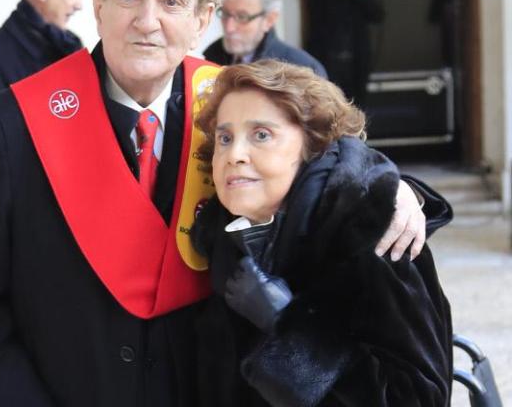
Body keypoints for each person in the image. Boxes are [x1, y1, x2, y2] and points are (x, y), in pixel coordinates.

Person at [0, 0, 445, 407]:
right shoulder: (11, 125)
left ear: (203, 18)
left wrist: (391, 188)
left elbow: (323, 160)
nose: (147, 20)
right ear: (97, 3)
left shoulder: (231, 111)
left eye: (173, 1)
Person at [190, 60, 452, 406]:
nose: (234, 155)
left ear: (312, 145)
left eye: (262, 135)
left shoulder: (374, 236)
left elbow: (420, 399)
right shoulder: (221, 242)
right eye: (225, 138)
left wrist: (286, 324)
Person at [203, 0, 326, 76]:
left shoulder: (302, 70)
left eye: (242, 17)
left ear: (269, 19)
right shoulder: (211, 57)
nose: (229, 28)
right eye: (225, 13)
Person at [305, 0, 384, 104]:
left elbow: (377, 16)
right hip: (330, 59)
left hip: (357, 59)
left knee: (357, 103)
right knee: (331, 102)